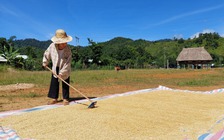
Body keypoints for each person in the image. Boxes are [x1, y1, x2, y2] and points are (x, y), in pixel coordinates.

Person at [42, 29, 72, 105]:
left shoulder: (68, 50)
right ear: (58, 42)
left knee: (65, 82)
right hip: (55, 66)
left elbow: (68, 63)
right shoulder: (52, 46)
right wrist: (45, 62)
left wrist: (62, 73)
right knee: (54, 82)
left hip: (65, 68)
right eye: (63, 42)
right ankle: (54, 98)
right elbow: (47, 53)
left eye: (65, 42)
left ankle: (65, 98)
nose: (65, 43)